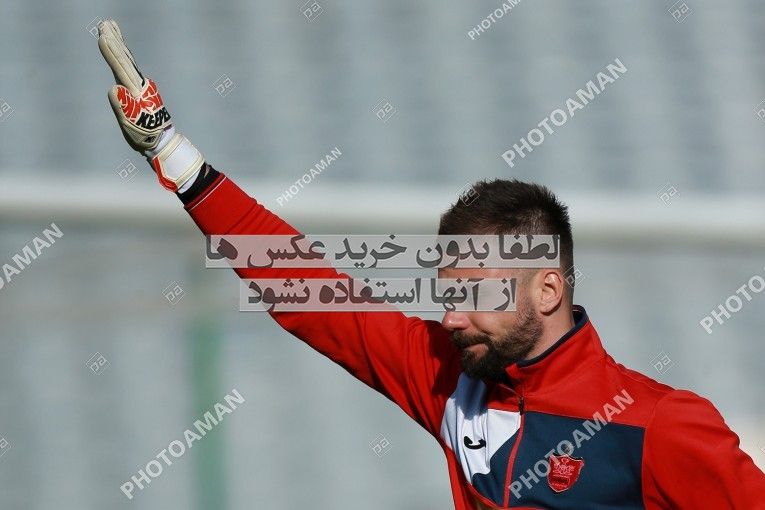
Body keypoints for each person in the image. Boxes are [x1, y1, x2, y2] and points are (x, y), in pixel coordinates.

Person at [97, 19, 765, 509]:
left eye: (474, 293)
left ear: (547, 289)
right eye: (447, 293)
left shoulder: (660, 426)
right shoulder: (452, 376)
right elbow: (310, 291)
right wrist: (175, 159)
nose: (450, 316)